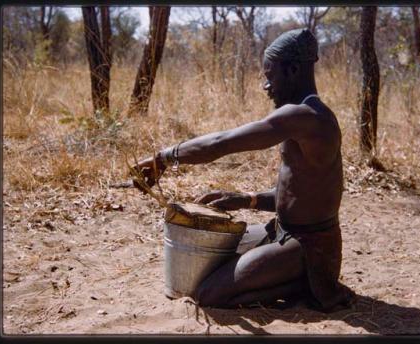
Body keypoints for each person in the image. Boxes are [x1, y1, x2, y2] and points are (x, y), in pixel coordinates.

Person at [133, 28, 354, 311]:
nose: (266, 86)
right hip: (281, 232)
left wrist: (163, 158)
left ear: (293, 69)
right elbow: (300, 197)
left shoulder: (306, 117)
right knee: (209, 260)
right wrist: (246, 199)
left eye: (269, 75)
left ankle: (308, 284)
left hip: (309, 248)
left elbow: (221, 143)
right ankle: (291, 276)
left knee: (209, 294)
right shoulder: (302, 116)